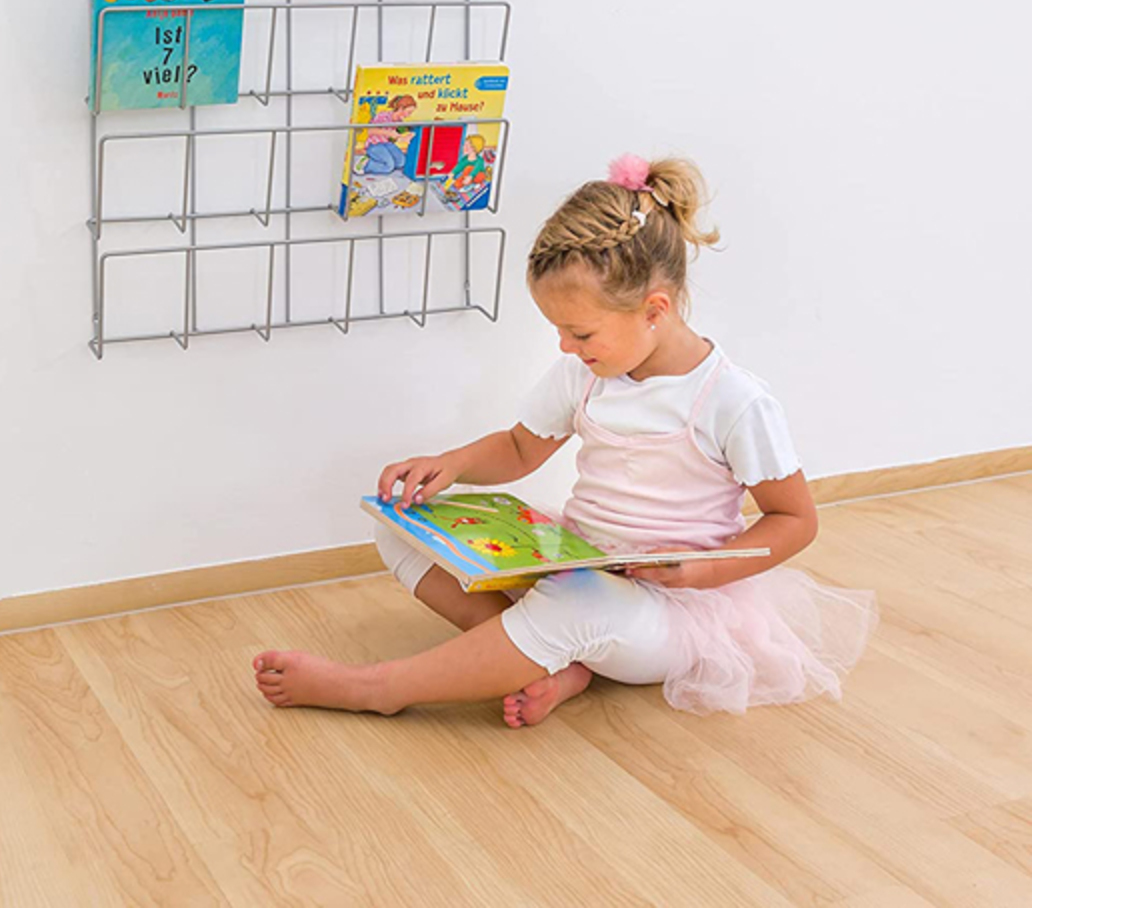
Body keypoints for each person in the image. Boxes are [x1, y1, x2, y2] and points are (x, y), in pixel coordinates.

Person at [254, 155, 877, 726]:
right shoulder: (585, 374)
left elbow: (795, 519)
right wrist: (452, 464)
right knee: (400, 527)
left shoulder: (733, 401)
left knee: (579, 604)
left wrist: (703, 570)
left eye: (580, 333)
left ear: (654, 310)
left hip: (672, 611)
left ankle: (379, 688)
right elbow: (520, 448)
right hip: (578, 564)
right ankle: (555, 662)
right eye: (559, 330)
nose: (565, 346)